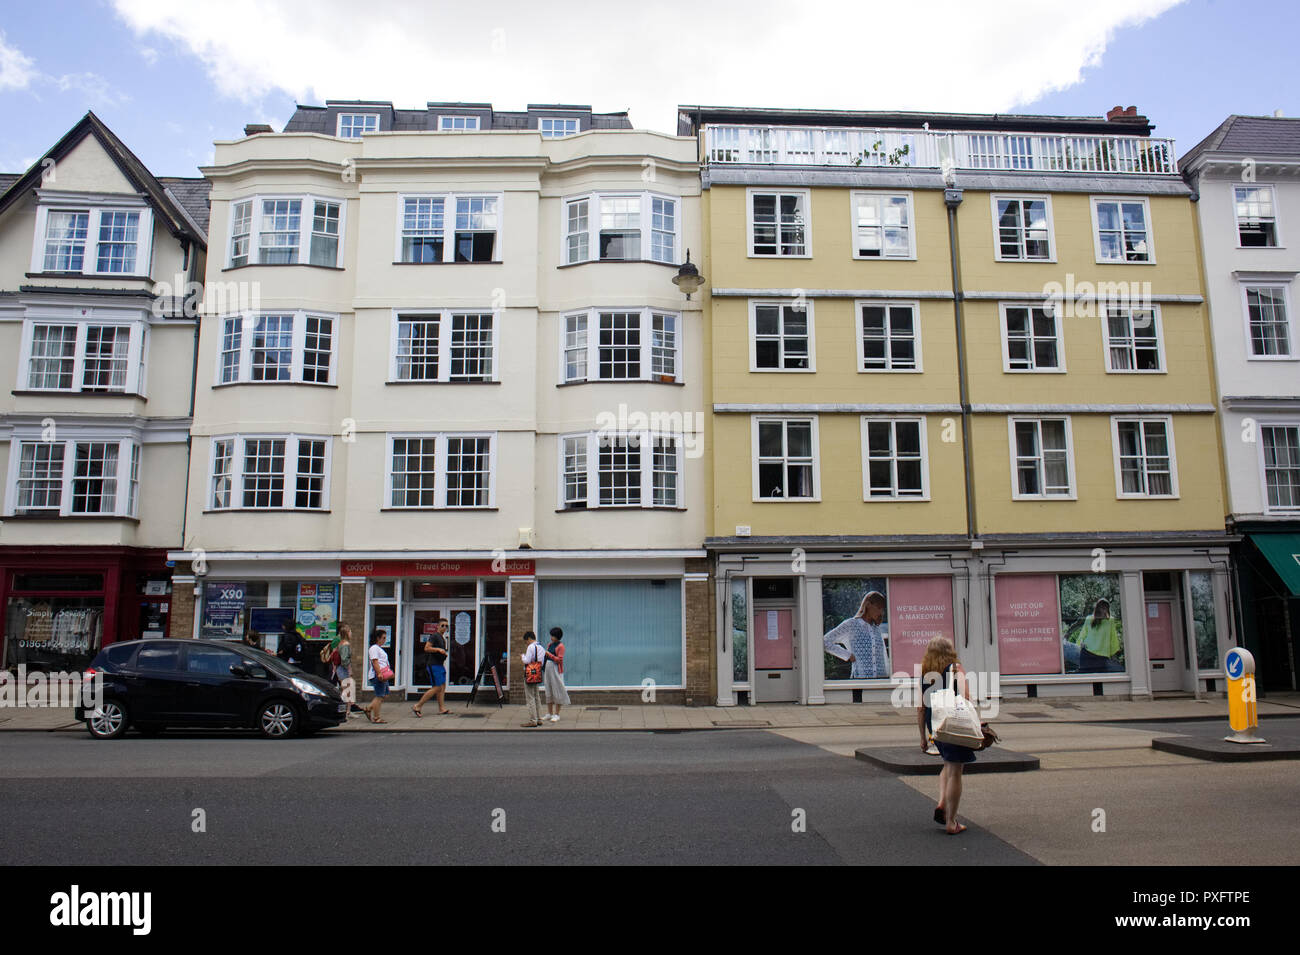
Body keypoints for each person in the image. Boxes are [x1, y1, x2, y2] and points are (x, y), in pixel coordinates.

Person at [916, 635, 976, 835]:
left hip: (936, 727)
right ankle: (951, 822)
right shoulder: (955, 669)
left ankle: (942, 803)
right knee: (956, 771)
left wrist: (923, 737)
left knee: (948, 764)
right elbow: (966, 696)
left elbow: (920, 708)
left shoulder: (925, 673)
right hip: (954, 725)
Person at [823, 591, 888, 679]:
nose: (881, 612)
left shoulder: (876, 628)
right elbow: (825, 641)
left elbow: (883, 656)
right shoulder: (851, 624)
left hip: (880, 682)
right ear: (868, 605)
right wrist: (847, 655)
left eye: (882, 609)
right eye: (879, 607)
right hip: (859, 682)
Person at [411, 620, 451, 717]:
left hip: (440, 665)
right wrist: (438, 649)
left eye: (446, 626)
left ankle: (441, 708)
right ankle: (417, 706)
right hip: (434, 665)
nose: (444, 627)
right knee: (437, 687)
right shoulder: (434, 636)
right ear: (437, 626)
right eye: (442, 625)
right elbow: (427, 648)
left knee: (442, 686)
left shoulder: (442, 638)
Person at [1076, 598, 1122, 673]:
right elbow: (1082, 635)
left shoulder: (1110, 621)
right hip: (1087, 654)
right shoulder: (1089, 619)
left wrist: (1113, 654)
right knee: (1087, 681)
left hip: (1101, 657)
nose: (1104, 610)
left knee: (1100, 682)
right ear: (1098, 608)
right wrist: (1081, 643)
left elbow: (1113, 638)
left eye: (1105, 608)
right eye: (1102, 608)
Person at [543, 627, 570, 723]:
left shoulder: (561, 646)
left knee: (557, 689)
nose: (551, 637)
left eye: (553, 636)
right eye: (551, 635)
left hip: (555, 670)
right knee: (548, 689)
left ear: (557, 636)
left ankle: (557, 714)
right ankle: (549, 713)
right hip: (548, 668)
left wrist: (549, 654)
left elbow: (559, 660)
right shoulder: (550, 644)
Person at [365, 628, 391, 724]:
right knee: (379, 696)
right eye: (383, 638)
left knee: (385, 694)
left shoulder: (378, 648)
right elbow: (375, 661)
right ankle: (376, 717)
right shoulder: (374, 648)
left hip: (383, 675)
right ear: (378, 638)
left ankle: (368, 708)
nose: (384, 640)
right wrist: (379, 673)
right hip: (378, 675)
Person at [520, 631, 545, 727]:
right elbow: (541, 662)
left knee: (530, 697)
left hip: (530, 674)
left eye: (526, 641)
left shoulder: (531, 647)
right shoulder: (541, 647)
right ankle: (539, 718)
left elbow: (527, 661)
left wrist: (522, 656)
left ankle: (533, 720)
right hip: (538, 674)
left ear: (529, 639)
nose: (526, 643)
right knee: (537, 696)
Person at [333, 623, 358, 716]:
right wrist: (349, 669)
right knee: (347, 691)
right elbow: (344, 659)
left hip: (341, 669)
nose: (351, 633)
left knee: (347, 690)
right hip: (343, 670)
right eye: (350, 631)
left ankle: (348, 711)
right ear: (347, 633)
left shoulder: (341, 643)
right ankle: (344, 710)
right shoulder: (345, 644)